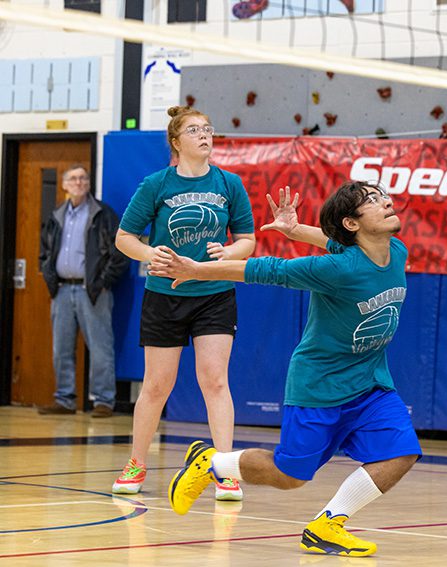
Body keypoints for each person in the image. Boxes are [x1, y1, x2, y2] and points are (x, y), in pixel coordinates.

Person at [150, 182, 421, 557]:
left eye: (381, 196)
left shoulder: (395, 250)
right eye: (372, 201)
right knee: (290, 476)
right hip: (319, 386)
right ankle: (211, 462)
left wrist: (294, 229)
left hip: (371, 383)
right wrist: (198, 270)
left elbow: (335, 240)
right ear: (352, 222)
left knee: (402, 453)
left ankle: (328, 524)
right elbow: (266, 270)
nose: (386, 202)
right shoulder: (337, 269)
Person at [112, 106, 256, 502]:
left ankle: (226, 471)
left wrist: (229, 252)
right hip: (165, 296)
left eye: (208, 129)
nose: (205, 135)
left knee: (215, 381)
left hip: (213, 294)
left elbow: (248, 239)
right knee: (157, 385)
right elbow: (124, 237)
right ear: (177, 142)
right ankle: (136, 463)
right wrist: (148, 254)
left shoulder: (230, 183)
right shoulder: (156, 184)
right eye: (194, 130)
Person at [38, 164, 129, 417]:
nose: (79, 182)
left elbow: (120, 253)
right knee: (61, 348)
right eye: (74, 179)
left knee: (101, 348)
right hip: (62, 291)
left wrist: (102, 283)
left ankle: (103, 401)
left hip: (93, 291)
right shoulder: (57, 215)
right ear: (65, 185)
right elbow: (45, 251)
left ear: (89, 184)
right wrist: (50, 278)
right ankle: (64, 399)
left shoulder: (103, 214)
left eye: (83, 178)